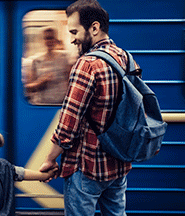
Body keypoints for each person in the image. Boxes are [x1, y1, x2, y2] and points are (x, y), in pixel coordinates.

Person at [39, 0, 140, 215]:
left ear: (94, 28)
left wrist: (49, 159)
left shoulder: (87, 65)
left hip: (87, 166)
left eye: (75, 31)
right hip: (118, 164)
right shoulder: (126, 58)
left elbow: (68, 124)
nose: (72, 38)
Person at [24, 27, 75, 105]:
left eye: (51, 38)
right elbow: (28, 87)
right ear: (42, 40)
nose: (49, 41)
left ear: (55, 40)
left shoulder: (65, 58)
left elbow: (71, 83)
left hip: (60, 104)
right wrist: (40, 82)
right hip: (41, 104)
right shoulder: (36, 60)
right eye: (46, 38)